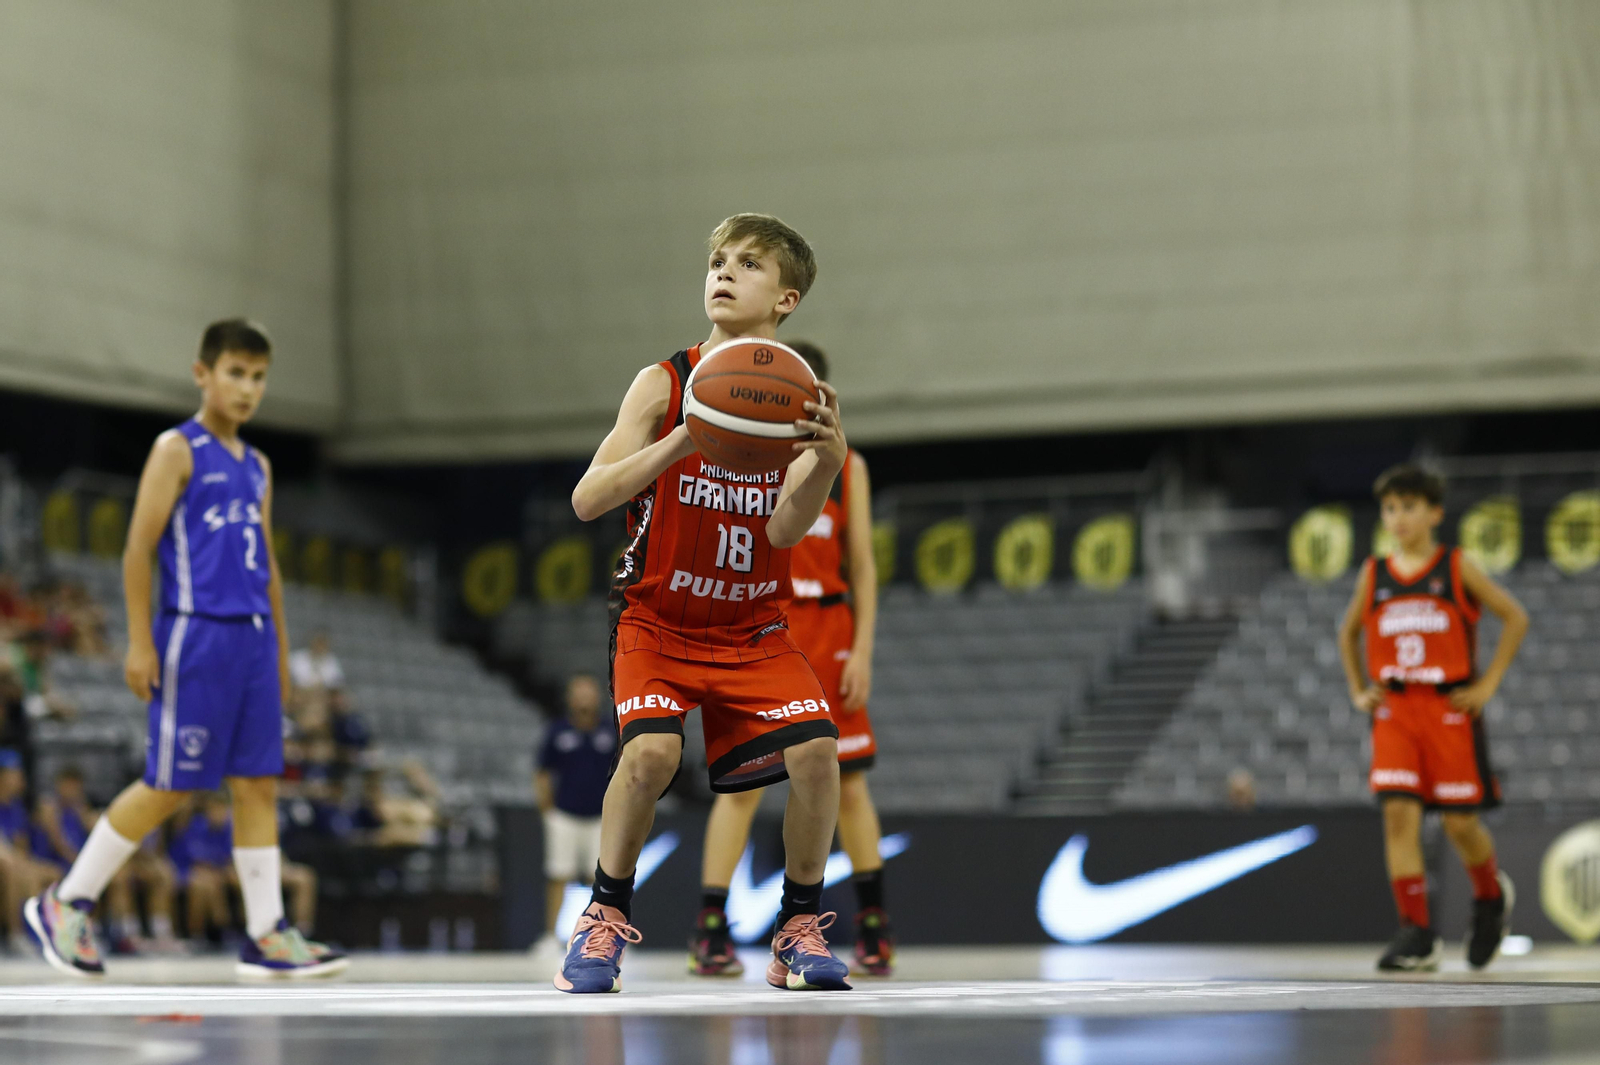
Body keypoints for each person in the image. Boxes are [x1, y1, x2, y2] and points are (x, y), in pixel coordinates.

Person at [562, 213, 851, 994]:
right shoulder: (663, 380)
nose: (723, 272)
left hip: (751, 625)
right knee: (652, 753)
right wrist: (683, 439)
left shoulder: (800, 406)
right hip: (658, 619)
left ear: (786, 298)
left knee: (819, 752)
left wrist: (826, 465)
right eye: (718, 260)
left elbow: (787, 527)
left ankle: (797, 927)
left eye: (748, 264)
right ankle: (601, 917)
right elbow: (589, 499)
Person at [22, 319, 346, 979]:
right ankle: (65, 901)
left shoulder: (258, 464)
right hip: (195, 632)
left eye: (258, 377)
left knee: (258, 783)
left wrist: (279, 652)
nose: (247, 387)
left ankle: (267, 933)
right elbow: (138, 547)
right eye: (235, 372)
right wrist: (140, 640)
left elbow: (270, 566)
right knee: (173, 783)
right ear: (203, 373)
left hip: (253, 637)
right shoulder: (177, 449)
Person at [689, 340, 892, 978]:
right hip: (760, 624)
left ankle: (873, 927)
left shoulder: (846, 464)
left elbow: (862, 565)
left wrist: (861, 648)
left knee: (848, 783)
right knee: (742, 787)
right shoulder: (739, 451)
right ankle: (711, 930)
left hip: (827, 628)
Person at [1338, 464, 1527, 972]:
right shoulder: (1374, 574)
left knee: (1460, 823)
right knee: (1398, 814)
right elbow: (1347, 632)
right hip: (1396, 709)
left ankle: (1490, 897)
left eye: (1409, 506)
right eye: (1390, 508)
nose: (1398, 517)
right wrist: (1359, 689)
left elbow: (1515, 616)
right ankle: (1417, 932)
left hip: (1447, 708)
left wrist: (1487, 684)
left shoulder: (1455, 565)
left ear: (1435, 512)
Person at [532, 674, 616, 952]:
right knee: (558, 875)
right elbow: (542, 774)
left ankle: (603, 932)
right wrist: (548, 812)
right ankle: (550, 936)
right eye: (577, 691)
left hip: (600, 818)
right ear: (569, 697)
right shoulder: (557, 732)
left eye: (588, 691)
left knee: (603, 877)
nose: (583, 697)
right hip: (565, 815)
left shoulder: (610, 730)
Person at [175, 790, 320, 943]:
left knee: (304, 877)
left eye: (222, 808)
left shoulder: (241, 823)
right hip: (207, 870)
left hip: (254, 866)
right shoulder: (198, 825)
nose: (219, 813)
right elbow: (208, 859)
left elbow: (272, 850)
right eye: (214, 808)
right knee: (233, 879)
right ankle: (218, 934)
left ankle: (303, 932)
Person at [0, 751, 54, 951]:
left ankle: (53, 934)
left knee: (52, 873)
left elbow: (21, 848)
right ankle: (18, 935)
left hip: (13, 861)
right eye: (15, 774)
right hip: (5, 864)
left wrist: (28, 865)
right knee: (16, 872)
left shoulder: (16, 807)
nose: (20, 779)